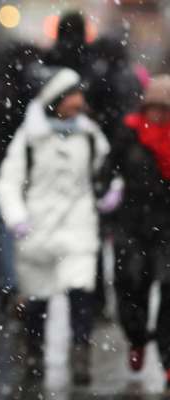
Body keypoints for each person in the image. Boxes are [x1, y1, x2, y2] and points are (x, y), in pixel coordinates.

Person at [0, 67, 110, 386]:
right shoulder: (29, 138)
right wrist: (17, 218)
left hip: (78, 227)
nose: (79, 102)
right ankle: (34, 355)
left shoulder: (89, 134)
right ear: (57, 100)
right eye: (74, 96)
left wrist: (110, 192)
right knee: (37, 299)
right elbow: (8, 182)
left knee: (80, 293)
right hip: (38, 230)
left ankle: (80, 355)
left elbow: (105, 169)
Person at [102, 75, 170, 390]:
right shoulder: (128, 132)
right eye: (153, 107)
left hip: (167, 226)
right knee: (131, 287)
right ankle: (137, 338)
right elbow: (106, 171)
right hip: (132, 225)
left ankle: (168, 359)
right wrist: (107, 190)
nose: (157, 114)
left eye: (164, 109)